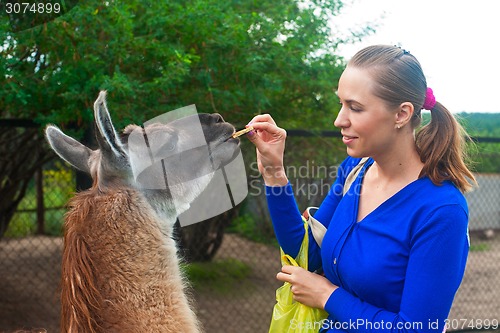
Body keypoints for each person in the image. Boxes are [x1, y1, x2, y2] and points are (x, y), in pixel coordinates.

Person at [246, 44, 476, 332]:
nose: (339, 120)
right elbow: (307, 252)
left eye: (355, 107)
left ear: (401, 114)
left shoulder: (441, 212)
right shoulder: (354, 171)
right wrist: (273, 171)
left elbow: (418, 328)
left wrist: (328, 296)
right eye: (341, 104)